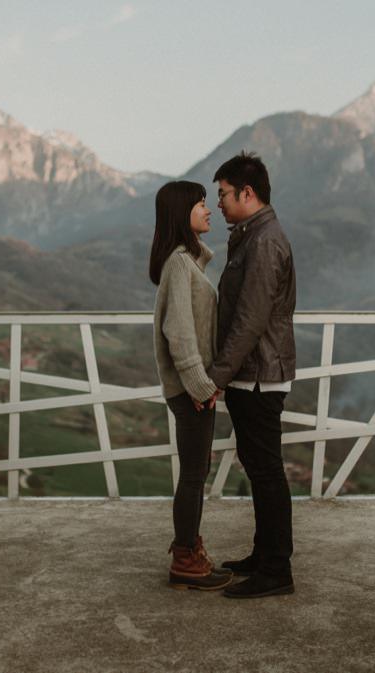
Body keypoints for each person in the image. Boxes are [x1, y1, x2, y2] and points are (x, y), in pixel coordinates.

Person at [206, 152, 297, 599]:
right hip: (252, 373)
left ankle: (277, 570)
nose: (218, 203)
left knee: (266, 472)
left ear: (247, 193)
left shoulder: (263, 243)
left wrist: (215, 376)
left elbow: (250, 318)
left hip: (258, 375)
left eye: (223, 194)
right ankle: (264, 556)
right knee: (261, 470)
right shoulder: (252, 236)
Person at [150, 180, 232, 591]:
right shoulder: (180, 264)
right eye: (201, 204)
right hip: (190, 392)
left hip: (190, 390)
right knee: (194, 476)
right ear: (183, 213)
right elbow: (180, 335)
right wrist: (202, 387)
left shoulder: (183, 262)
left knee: (195, 473)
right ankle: (186, 558)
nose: (209, 210)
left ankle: (190, 551)